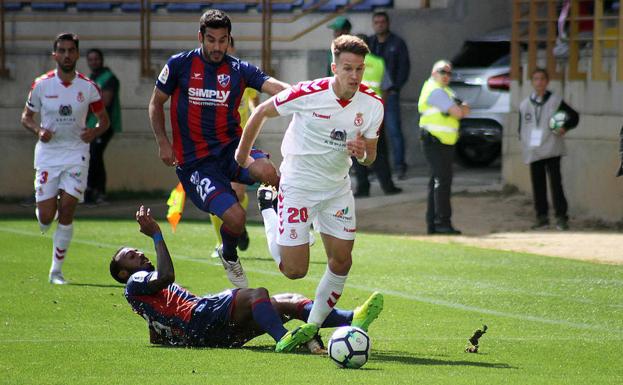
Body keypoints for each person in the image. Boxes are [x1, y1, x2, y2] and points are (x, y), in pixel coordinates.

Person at [235, 35, 385, 347]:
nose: (355, 76)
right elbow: (261, 111)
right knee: (294, 271)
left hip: (335, 191)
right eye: (348, 68)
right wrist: (241, 161)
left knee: (342, 261)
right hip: (298, 187)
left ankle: (312, 327)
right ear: (334, 67)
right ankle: (268, 208)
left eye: (359, 69)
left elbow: (371, 156)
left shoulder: (372, 104)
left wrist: (361, 153)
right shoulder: (308, 92)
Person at [110, 205, 383, 352]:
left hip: (208, 332)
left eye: (137, 251)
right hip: (200, 317)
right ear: (124, 273)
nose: (140, 254)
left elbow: (157, 331)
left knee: (290, 301)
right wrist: (157, 234)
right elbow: (167, 275)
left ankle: (352, 318)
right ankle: (284, 339)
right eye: (132, 257)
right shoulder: (136, 282)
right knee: (256, 294)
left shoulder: (142, 298)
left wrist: (168, 335)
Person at [148, 10, 288, 289]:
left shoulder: (238, 69)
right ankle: (229, 254)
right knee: (235, 218)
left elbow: (276, 87)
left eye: (222, 40)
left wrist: (311, 96)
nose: (216, 47)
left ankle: (282, 221)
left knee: (270, 172)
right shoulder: (179, 65)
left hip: (231, 150)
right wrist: (163, 142)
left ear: (229, 40)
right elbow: (155, 104)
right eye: (211, 40)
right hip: (195, 163)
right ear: (200, 37)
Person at [21, 33, 110, 284]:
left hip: (76, 152)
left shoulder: (88, 87)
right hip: (48, 155)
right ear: (55, 55)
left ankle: (56, 271)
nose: (67, 55)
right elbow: (26, 117)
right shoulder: (41, 85)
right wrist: (38, 130)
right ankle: (45, 208)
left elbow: (104, 121)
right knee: (47, 217)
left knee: (69, 206)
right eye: (62, 50)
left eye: (71, 50)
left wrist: (93, 132)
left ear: (77, 54)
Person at [208, 36, 258, 258]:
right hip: (214, 143)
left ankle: (239, 225)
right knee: (216, 193)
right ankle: (222, 243)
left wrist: (256, 119)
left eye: (227, 44)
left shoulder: (243, 73)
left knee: (237, 191)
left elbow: (254, 103)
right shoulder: (206, 76)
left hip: (240, 142)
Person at [519, 68, 579, 231]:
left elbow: (574, 116)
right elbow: (521, 128)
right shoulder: (524, 104)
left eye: (542, 79)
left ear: (547, 82)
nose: (539, 82)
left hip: (552, 147)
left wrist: (564, 127)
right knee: (538, 185)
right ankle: (542, 217)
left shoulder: (555, 101)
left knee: (556, 184)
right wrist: (526, 144)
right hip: (534, 150)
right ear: (532, 82)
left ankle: (561, 217)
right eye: (536, 79)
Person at [418, 60, 470, 235]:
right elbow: (459, 112)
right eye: (443, 72)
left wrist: (459, 109)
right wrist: (458, 109)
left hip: (443, 142)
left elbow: (466, 110)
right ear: (434, 73)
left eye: (449, 73)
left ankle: (434, 223)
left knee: (437, 181)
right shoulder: (436, 90)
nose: (446, 75)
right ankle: (442, 223)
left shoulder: (446, 91)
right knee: (442, 181)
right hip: (435, 141)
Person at [351, 33, 402, 198]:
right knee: (380, 151)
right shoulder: (379, 63)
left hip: (354, 115)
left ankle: (363, 188)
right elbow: (385, 88)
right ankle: (388, 186)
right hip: (374, 115)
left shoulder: (349, 65)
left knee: (358, 151)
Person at [369, 11, 410, 180]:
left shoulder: (397, 43)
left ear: (388, 23)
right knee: (373, 133)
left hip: (390, 95)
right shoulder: (370, 43)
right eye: (376, 22)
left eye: (382, 21)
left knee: (394, 131)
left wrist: (395, 88)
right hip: (371, 98)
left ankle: (400, 166)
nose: (379, 24)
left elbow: (404, 67)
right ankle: (374, 168)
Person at [85, 48, 122, 205]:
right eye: (91, 59)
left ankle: (99, 192)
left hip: (105, 125)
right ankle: (90, 191)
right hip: (91, 125)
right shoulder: (90, 78)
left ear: (101, 60)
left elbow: (105, 102)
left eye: (96, 59)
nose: (94, 62)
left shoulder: (109, 78)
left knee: (95, 156)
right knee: (92, 157)